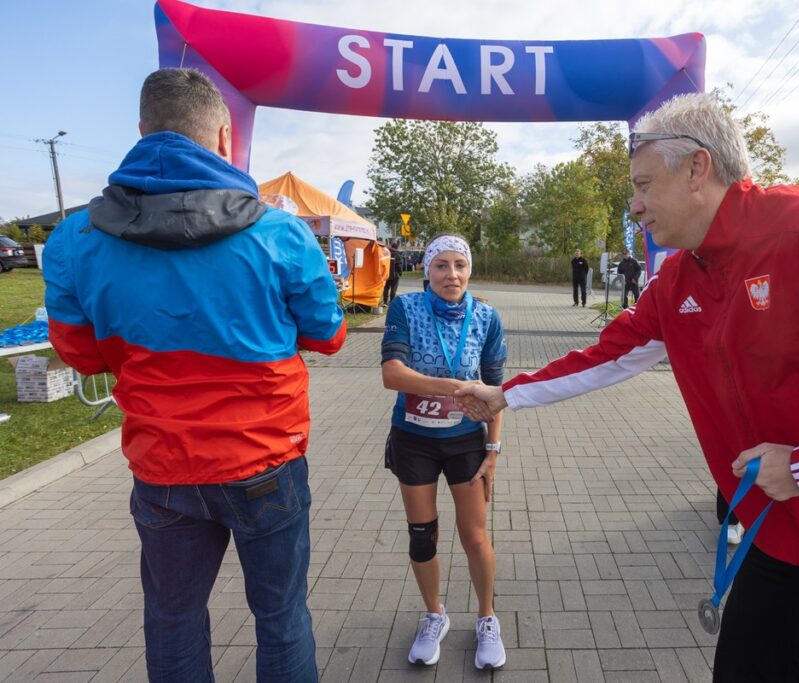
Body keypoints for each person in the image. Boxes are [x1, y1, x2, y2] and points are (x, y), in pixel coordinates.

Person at [456, 93, 799, 682]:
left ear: (698, 169)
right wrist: (508, 394)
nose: (635, 207)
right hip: (783, 524)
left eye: (644, 185)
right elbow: (614, 350)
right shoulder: (681, 273)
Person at [42, 68, 346, 682]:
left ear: (141, 132)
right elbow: (330, 337)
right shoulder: (281, 232)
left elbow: (80, 356)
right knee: (281, 619)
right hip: (266, 462)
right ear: (225, 137)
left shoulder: (74, 238)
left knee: (173, 622)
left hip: (162, 467)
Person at [380, 233, 508, 670]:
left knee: (475, 537)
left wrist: (493, 449)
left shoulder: (486, 317)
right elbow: (393, 374)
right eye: (441, 265)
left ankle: (487, 618)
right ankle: (435, 614)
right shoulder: (406, 308)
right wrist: (456, 388)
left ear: (469, 270)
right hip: (413, 437)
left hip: (466, 441)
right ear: (427, 270)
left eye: (459, 265)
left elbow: (494, 391)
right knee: (422, 535)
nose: (451, 274)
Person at [382, 240, 403, 305]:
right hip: (395, 275)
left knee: (386, 288)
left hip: (387, 274)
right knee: (393, 289)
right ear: (397, 248)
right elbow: (399, 266)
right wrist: (400, 273)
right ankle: (392, 302)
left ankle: (385, 302)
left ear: (391, 247)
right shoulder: (398, 255)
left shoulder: (386, 254)